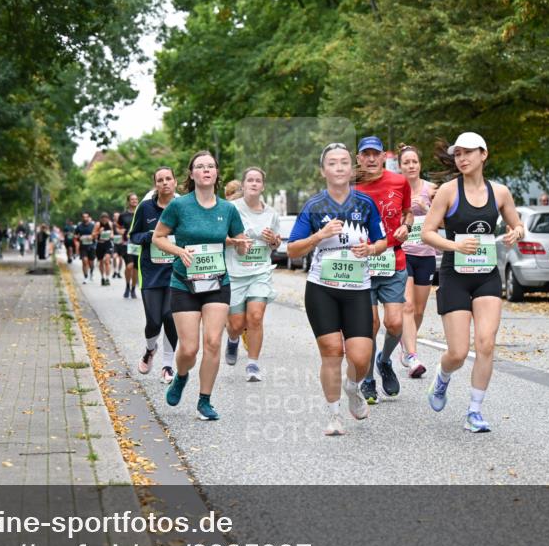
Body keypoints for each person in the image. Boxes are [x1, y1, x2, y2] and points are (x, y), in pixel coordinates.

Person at [420, 132, 525, 433]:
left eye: (468, 153)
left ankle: (474, 411)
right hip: (455, 275)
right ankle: (442, 377)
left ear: (483, 154)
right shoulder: (449, 192)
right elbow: (427, 232)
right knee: (456, 352)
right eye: (457, 154)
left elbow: (517, 225)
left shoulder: (501, 193)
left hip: (486, 275)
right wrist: (454, 246)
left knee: (486, 344)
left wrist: (516, 232)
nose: (462, 158)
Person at [287, 142, 388, 436]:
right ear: (323, 171)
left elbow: (382, 242)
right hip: (322, 288)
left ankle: (353, 387)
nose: (339, 167)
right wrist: (320, 234)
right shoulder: (314, 206)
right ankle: (334, 416)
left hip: (357, 288)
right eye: (333, 163)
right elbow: (293, 249)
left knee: (360, 356)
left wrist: (370, 249)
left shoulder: (365, 204)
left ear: (351, 168)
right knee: (332, 351)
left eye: (344, 162)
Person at [152, 151, 249, 421]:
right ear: (192, 174)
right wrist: (178, 251)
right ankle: (181, 377)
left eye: (210, 166)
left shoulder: (228, 209)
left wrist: (242, 245)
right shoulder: (179, 206)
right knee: (189, 348)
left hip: (217, 282)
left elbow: (240, 245)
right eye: (200, 167)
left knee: (213, 342)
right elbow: (159, 238)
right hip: (184, 283)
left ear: (216, 173)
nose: (205, 170)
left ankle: (204, 400)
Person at [354, 136, 412, 405]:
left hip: (393, 261)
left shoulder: (399, 182)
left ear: (382, 157)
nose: (371, 158)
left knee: (395, 323)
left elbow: (407, 212)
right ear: (358, 158)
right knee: (370, 324)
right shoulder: (350, 187)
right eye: (366, 154)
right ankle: (368, 379)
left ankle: (385, 360)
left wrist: (406, 226)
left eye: (375, 154)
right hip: (360, 265)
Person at [223, 166, 281, 382]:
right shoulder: (230, 209)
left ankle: (253, 364)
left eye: (258, 180)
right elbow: (219, 237)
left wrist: (273, 240)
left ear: (262, 186)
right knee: (237, 325)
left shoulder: (271, 213)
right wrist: (236, 242)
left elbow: (276, 244)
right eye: (250, 180)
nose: (254, 183)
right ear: (244, 185)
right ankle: (232, 338)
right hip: (236, 273)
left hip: (260, 271)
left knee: (255, 317)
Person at [129, 167, 180, 383]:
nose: (165, 183)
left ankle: (168, 366)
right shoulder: (145, 208)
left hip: (176, 272)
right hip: (150, 272)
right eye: (160, 180)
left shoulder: (182, 207)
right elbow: (133, 236)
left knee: (170, 317)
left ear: (175, 182)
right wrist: (150, 238)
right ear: (156, 184)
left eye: (168, 178)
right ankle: (150, 350)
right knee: (153, 320)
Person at [397, 144, 439, 378]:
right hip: (403, 254)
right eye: (406, 162)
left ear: (419, 164)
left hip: (426, 255)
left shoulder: (431, 189)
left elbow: (443, 222)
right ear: (400, 166)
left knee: (420, 309)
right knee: (408, 306)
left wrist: (425, 208)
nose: (411, 166)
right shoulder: (396, 188)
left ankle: (406, 344)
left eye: (414, 162)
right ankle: (412, 355)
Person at [117, 194, 139, 298]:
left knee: (135, 269)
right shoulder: (123, 215)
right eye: (132, 199)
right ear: (128, 201)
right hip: (127, 244)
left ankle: (133, 289)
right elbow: (118, 227)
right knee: (129, 266)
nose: (134, 201)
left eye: (136, 199)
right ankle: (127, 286)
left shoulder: (141, 212)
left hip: (138, 244)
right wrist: (121, 231)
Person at [74, 212, 97, 284]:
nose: (85, 218)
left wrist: (92, 236)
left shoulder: (93, 226)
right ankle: (85, 277)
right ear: (82, 218)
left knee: (91, 263)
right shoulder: (79, 226)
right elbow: (75, 235)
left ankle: (91, 273)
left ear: (88, 217)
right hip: (83, 246)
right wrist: (78, 237)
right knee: (84, 261)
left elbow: (96, 234)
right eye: (84, 217)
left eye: (86, 217)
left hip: (91, 246)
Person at [94, 212, 114, 286]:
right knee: (101, 262)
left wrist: (111, 235)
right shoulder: (98, 224)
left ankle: (107, 278)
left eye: (106, 218)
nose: (105, 220)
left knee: (107, 260)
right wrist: (99, 232)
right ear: (101, 219)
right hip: (100, 244)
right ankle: (102, 277)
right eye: (103, 218)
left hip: (107, 244)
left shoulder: (110, 224)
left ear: (108, 218)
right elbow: (93, 235)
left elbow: (112, 232)